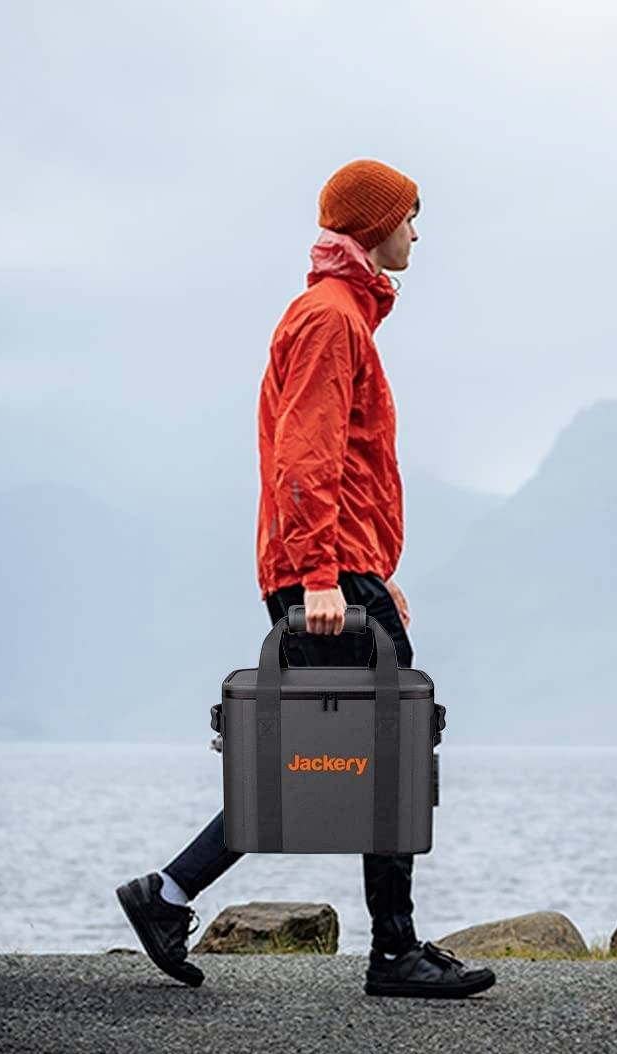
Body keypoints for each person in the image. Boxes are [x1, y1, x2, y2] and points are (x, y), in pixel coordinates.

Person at [116, 159, 495, 999]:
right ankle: (391, 953)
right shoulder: (330, 319)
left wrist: (373, 573)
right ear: (373, 225)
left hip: (341, 570)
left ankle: (168, 894)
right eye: (409, 217)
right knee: (387, 748)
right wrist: (325, 575)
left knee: (320, 754)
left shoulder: (340, 315)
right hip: (322, 577)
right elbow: (307, 454)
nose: (417, 233)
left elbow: (344, 465)